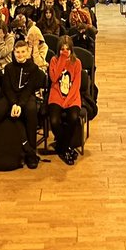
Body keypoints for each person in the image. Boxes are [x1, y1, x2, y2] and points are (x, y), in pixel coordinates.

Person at [0, 38, 44, 169]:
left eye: (23, 52)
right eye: (18, 52)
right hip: (10, 97)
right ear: (14, 52)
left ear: (28, 52)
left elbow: (29, 88)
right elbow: (7, 88)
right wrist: (14, 103)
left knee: (31, 112)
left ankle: (31, 153)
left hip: (26, 97)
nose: (20, 55)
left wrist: (20, 105)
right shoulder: (8, 68)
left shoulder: (34, 68)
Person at [47, 36, 83, 165]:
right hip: (56, 94)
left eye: (67, 49)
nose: (65, 51)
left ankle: (61, 147)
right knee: (54, 121)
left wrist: (67, 101)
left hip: (72, 97)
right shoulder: (54, 60)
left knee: (73, 117)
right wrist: (62, 60)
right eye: (62, 49)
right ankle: (66, 148)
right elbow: (54, 78)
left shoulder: (77, 62)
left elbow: (76, 85)